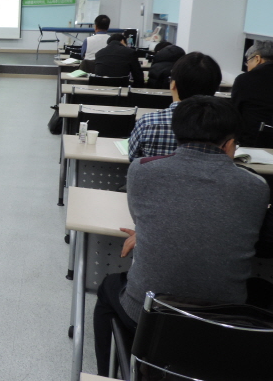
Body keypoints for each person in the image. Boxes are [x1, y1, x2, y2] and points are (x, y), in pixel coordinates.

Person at [93, 95, 270, 375]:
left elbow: (142, 219)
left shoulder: (141, 171)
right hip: (222, 323)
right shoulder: (256, 187)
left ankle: (109, 373)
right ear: (228, 144)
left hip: (150, 318)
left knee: (108, 288)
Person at [128, 52, 222, 160]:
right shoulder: (222, 127)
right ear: (215, 88)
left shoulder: (147, 123)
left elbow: (133, 158)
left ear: (173, 84)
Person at [232, 40, 273, 147]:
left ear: (257, 59)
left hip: (252, 142)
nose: (247, 66)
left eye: (248, 61)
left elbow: (235, 113)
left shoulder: (245, 79)